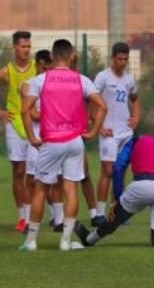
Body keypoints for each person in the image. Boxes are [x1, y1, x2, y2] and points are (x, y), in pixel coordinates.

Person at [19, 39, 107, 252]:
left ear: (52, 54)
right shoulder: (82, 80)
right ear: (71, 56)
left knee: (41, 189)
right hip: (75, 142)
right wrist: (93, 132)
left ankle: (31, 241)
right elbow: (102, 106)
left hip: (51, 141)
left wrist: (31, 137)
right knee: (71, 189)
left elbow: (24, 110)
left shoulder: (40, 80)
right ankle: (66, 242)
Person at [0, 30, 35, 232]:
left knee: (34, 172)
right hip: (14, 123)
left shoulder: (38, 66)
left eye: (28, 46)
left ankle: (35, 215)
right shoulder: (7, 71)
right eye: (22, 46)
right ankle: (22, 217)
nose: (26, 50)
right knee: (18, 170)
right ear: (14, 47)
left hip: (35, 123)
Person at [93, 42, 141, 225]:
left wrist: (136, 115)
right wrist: (98, 127)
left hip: (125, 133)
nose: (122, 62)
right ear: (112, 58)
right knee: (107, 171)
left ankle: (117, 212)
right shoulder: (102, 77)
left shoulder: (129, 79)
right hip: (108, 133)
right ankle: (99, 214)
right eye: (119, 59)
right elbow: (91, 102)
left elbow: (135, 99)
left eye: (125, 59)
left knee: (120, 171)